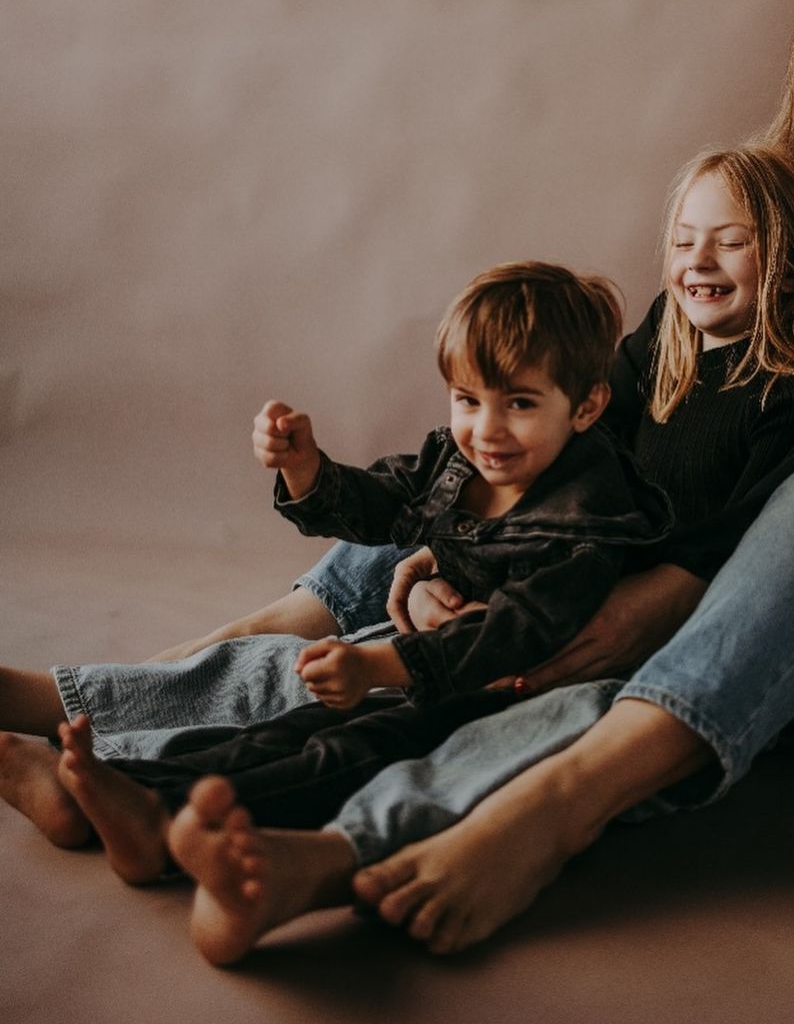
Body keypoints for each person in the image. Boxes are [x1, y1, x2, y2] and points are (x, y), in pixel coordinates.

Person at [162, 0, 794, 964]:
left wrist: (660, 590)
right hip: (755, 624)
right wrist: (462, 552)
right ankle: (158, 709)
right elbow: (607, 438)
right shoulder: (749, 225)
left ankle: (555, 812)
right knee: (507, 473)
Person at [0, 261, 677, 865]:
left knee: (342, 746)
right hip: (424, 657)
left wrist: (377, 666)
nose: (488, 429)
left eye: (520, 404)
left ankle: (158, 816)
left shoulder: (588, 519)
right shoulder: (459, 461)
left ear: (586, 406)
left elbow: (515, 634)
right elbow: (383, 503)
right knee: (277, 709)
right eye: (469, 400)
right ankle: (107, 782)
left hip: (507, 689)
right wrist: (306, 468)